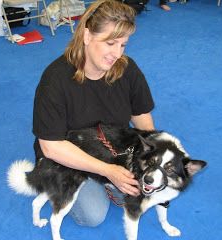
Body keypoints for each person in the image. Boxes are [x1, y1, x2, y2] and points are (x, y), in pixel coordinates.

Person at [32, 0, 155, 227]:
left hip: (110, 148)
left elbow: (141, 117)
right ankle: (52, 182)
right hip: (66, 155)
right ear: (87, 36)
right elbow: (51, 145)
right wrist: (108, 171)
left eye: (123, 45)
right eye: (110, 43)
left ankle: (106, 181)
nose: (117, 54)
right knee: (92, 216)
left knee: (145, 190)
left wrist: (151, 157)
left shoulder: (128, 70)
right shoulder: (55, 80)